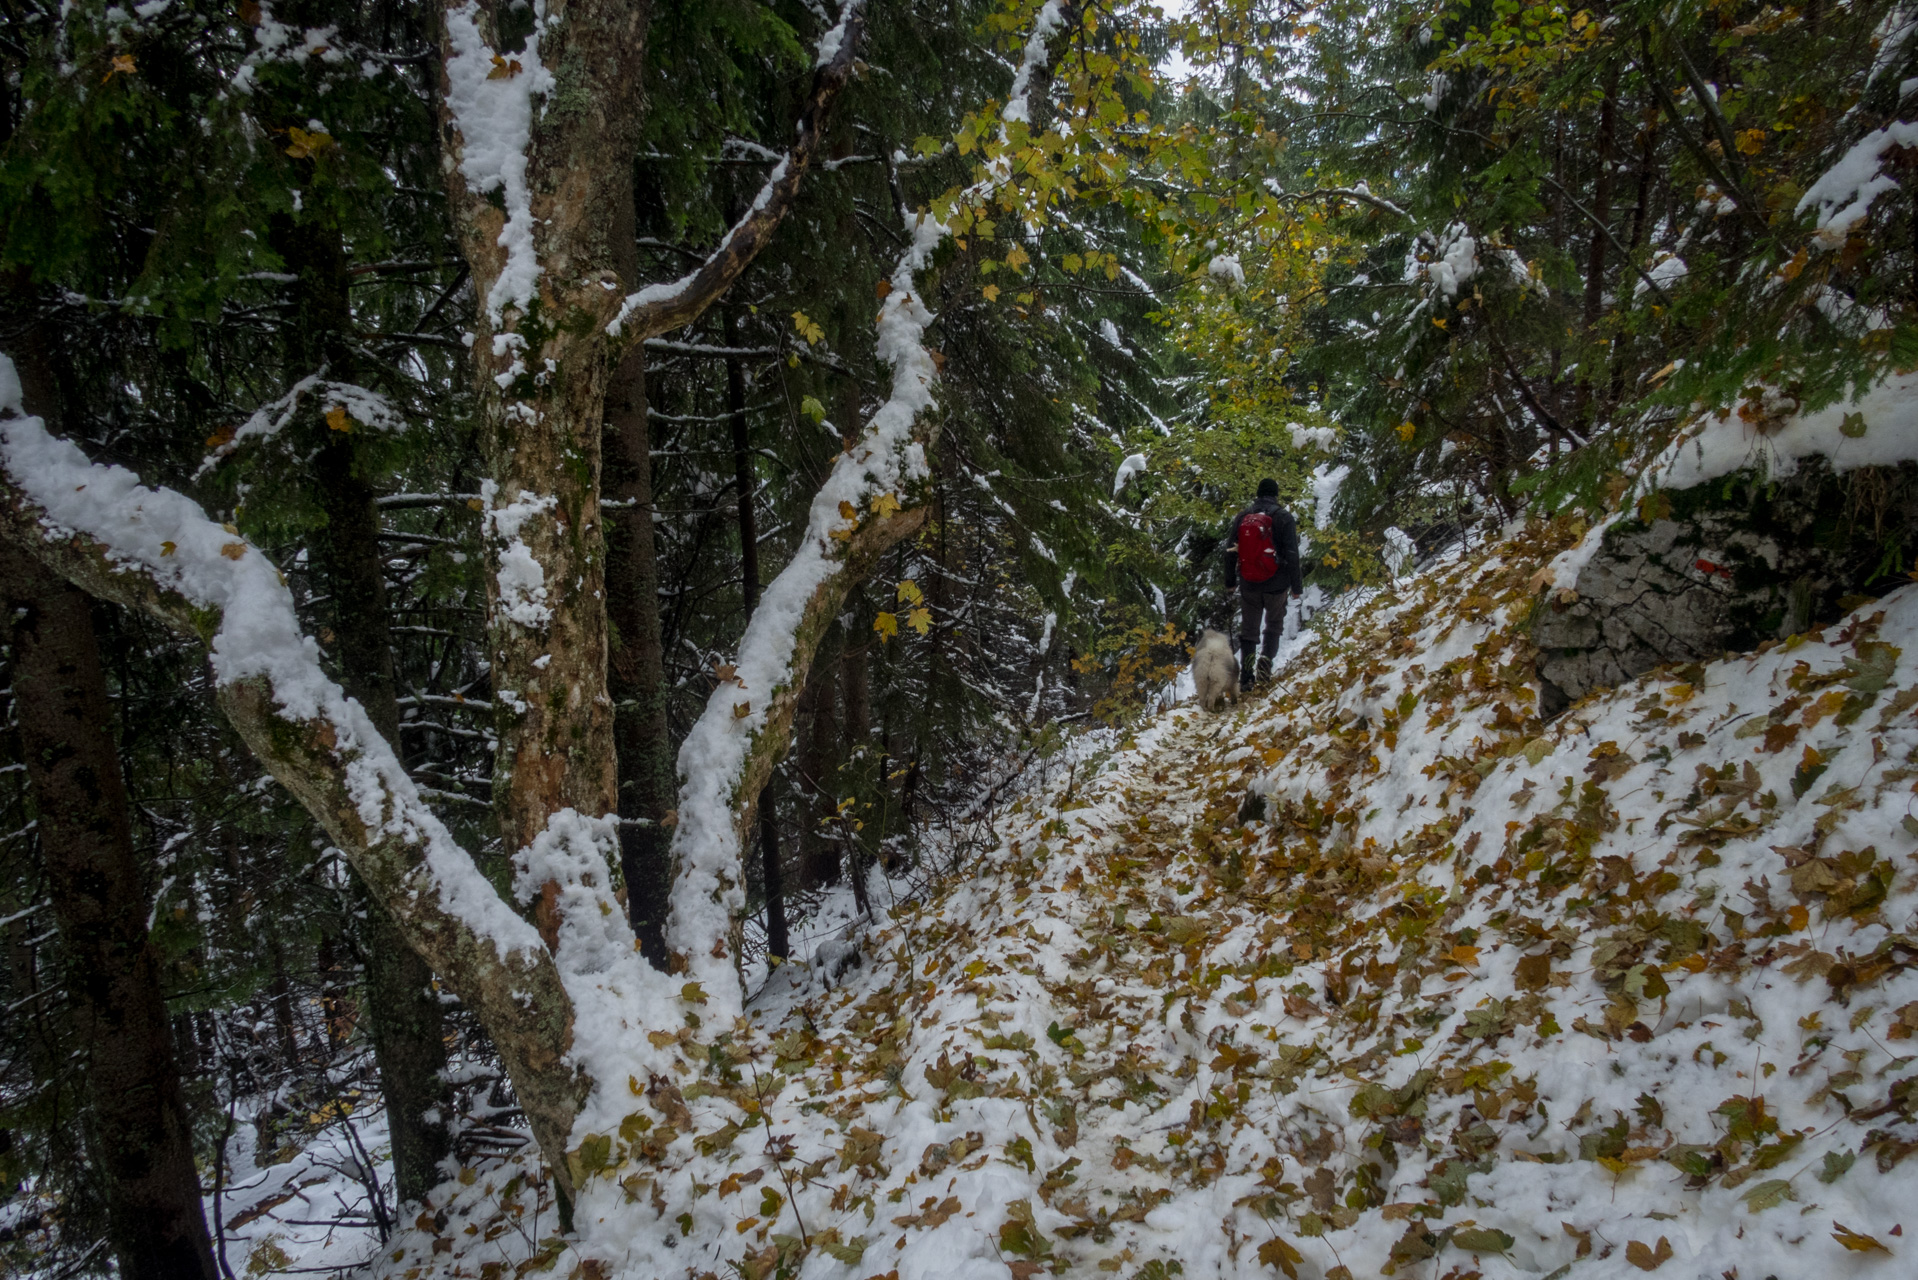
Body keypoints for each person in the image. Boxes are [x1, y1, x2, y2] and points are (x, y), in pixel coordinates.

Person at [1222, 477, 1303, 690]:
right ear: (1276, 495)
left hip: (1249, 583)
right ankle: (1265, 665)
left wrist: (1230, 582)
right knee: (1273, 626)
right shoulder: (1283, 517)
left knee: (1249, 630)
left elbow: (1230, 551)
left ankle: (1247, 676)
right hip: (1277, 584)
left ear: (1258, 494)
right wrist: (1296, 587)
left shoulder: (1243, 517)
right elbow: (1293, 554)